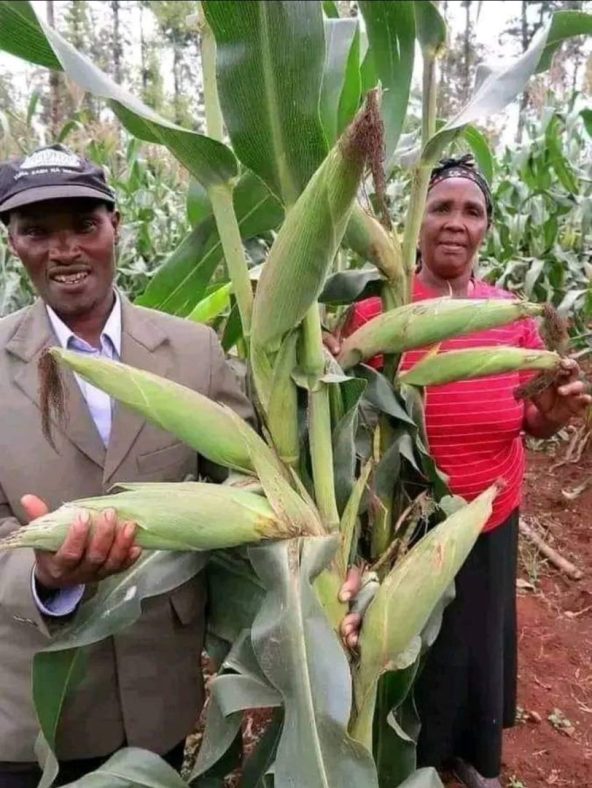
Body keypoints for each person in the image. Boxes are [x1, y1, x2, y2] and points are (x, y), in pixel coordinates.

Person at [0, 143, 351, 787]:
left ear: (115, 228)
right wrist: (42, 571)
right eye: (36, 232)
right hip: (32, 710)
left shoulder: (193, 351)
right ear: (13, 244)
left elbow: (255, 490)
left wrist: (320, 583)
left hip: (157, 698)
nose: (65, 249)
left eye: (84, 225)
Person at [335, 155, 591, 788]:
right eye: (441, 207)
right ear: (417, 222)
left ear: (486, 229)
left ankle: (470, 759)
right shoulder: (377, 311)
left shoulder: (512, 315)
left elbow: (531, 418)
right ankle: (401, 755)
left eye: (471, 211)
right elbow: (345, 416)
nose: (456, 222)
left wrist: (552, 416)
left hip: (490, 509)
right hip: (403, 514)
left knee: (476, 643)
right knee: (407, 644)